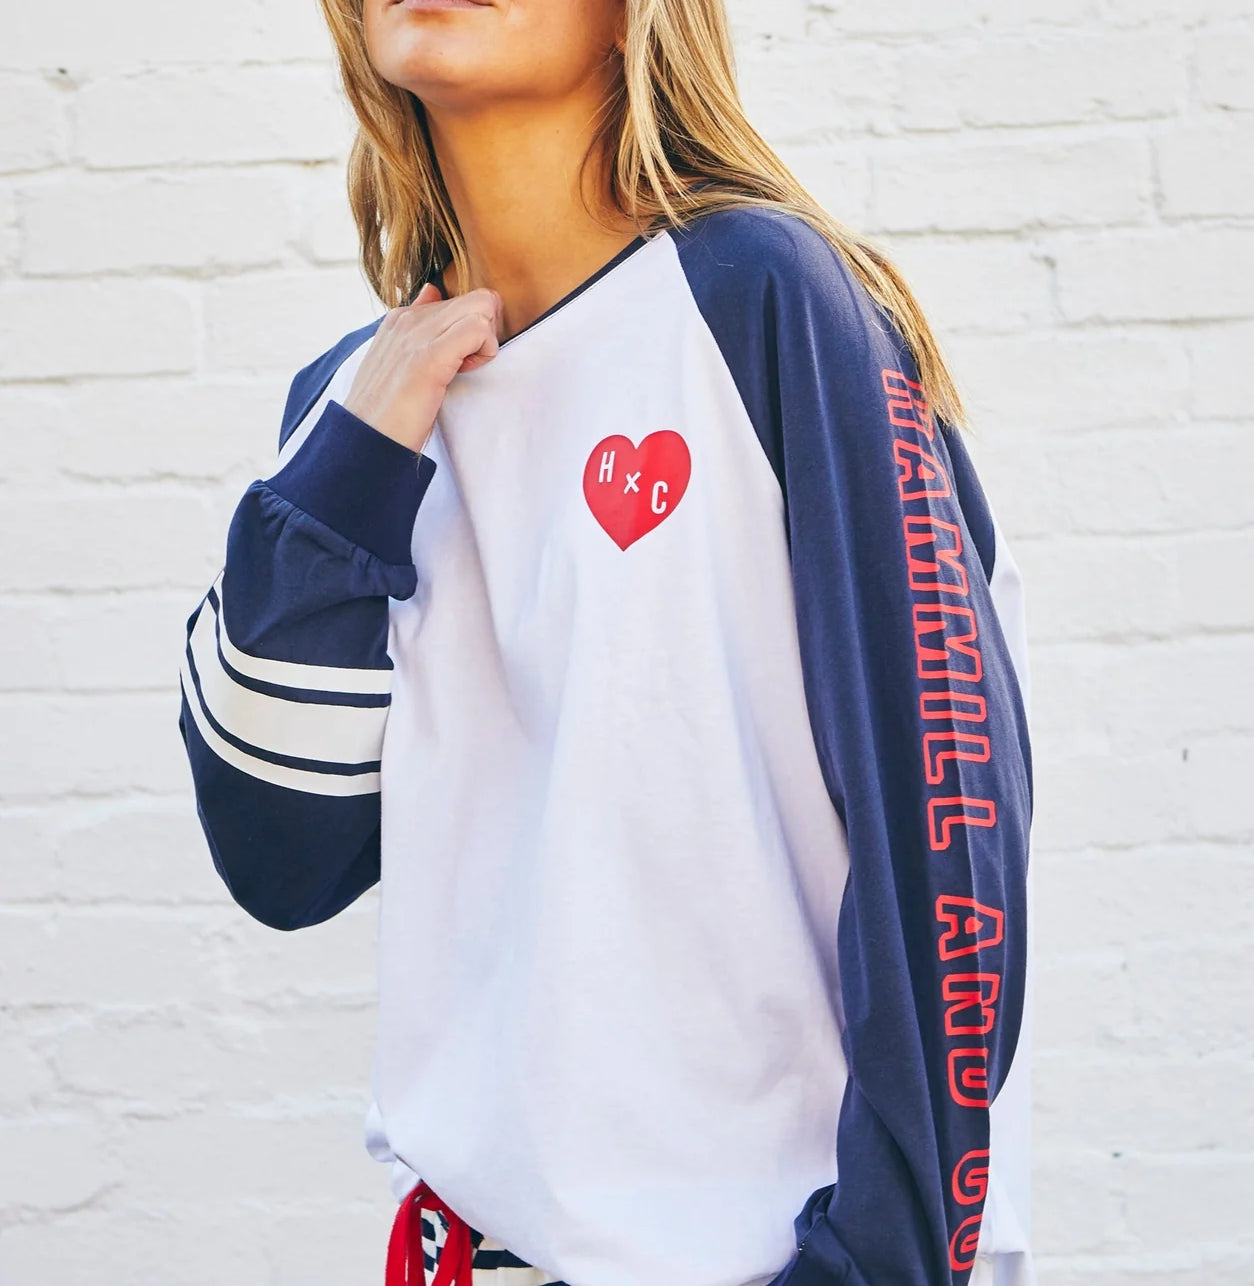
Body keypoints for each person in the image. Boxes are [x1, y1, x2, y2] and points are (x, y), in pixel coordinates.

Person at [175, 0, 1035, 1282]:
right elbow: (278, 851)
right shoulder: (354, 413)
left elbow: (945, 831)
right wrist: (351, 463)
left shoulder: (761, 299)